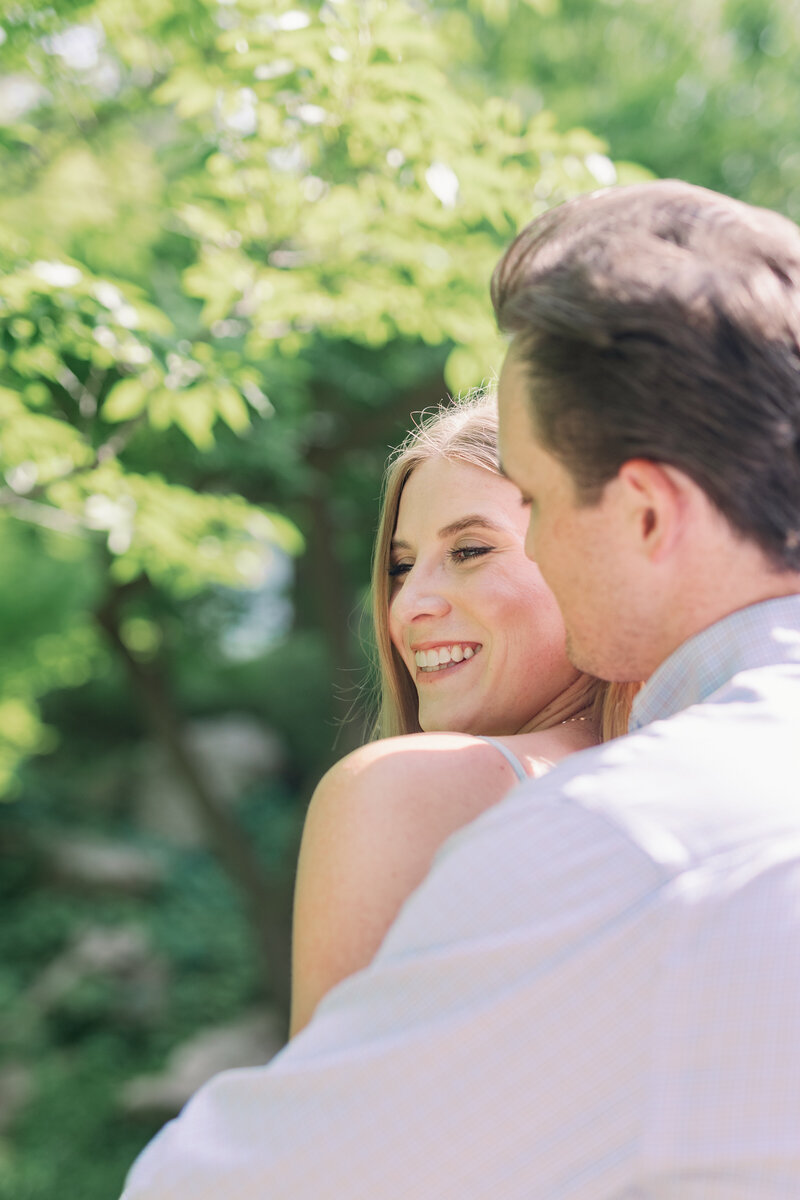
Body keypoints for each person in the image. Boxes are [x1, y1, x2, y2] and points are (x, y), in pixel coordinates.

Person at [121, 180, 800, 1200]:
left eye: (517, 511)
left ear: (648, 514)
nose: (412, 607)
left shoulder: (636, 844)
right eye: (400, 566)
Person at [291, 392, 635, 1034]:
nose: (408, 605)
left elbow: (332, 1125)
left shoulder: (397, 791)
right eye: (400, 566)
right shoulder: (719, 777)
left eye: (470, 551)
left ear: (590, 555)